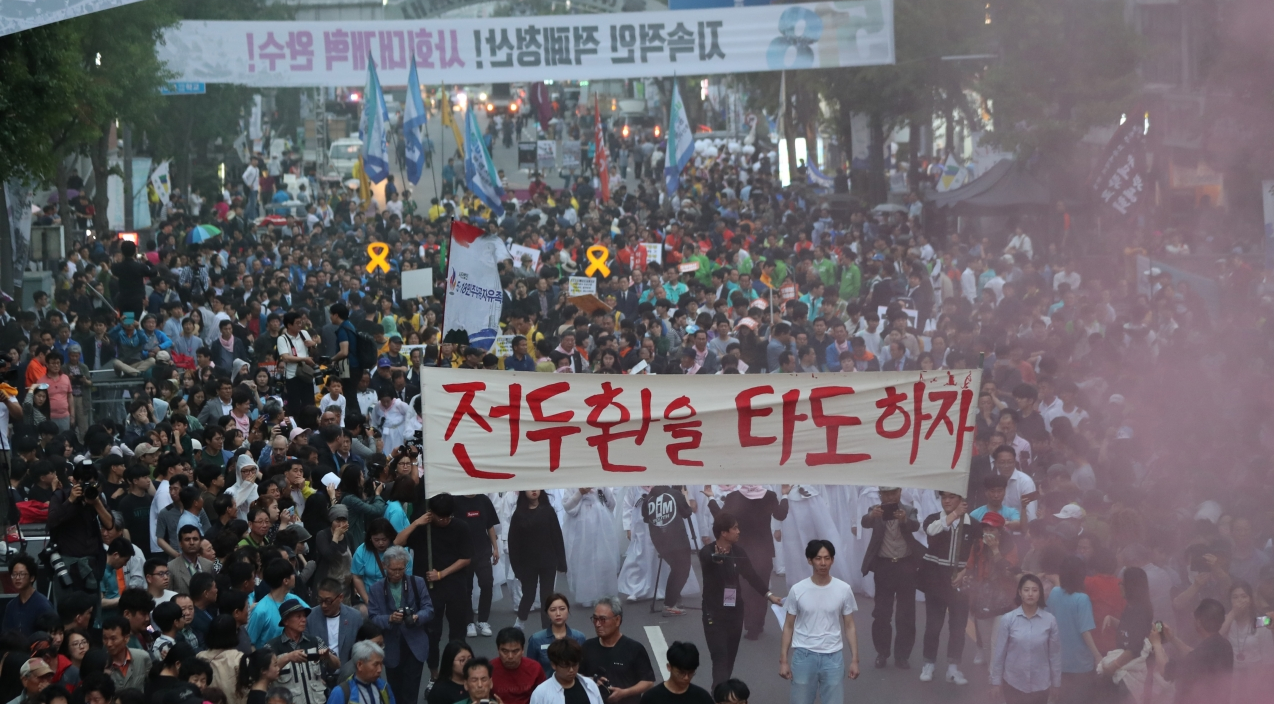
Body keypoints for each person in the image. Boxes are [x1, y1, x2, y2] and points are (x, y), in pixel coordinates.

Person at [697, 511, 782, 688]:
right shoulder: (707, 552)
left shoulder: (738, 551)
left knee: (729, 660)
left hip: (735, 614)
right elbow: (710, 559)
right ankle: (719, 695)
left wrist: (769, 595)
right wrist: (718, 559)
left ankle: (720, 692)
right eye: (734, 528)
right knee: (720, 658)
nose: (738, 531)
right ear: (723, 532)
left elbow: (751, 576)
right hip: (714, 616)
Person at [394, 492, 471, 674]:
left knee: (457, 633)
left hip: (455, 586)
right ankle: (434, 674)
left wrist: (441, 574)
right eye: (440, 517)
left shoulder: (461, 527)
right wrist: (416, 523)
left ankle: (456, 672)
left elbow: (466, 558)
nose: (444, 521)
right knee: (432, 633)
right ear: (431, 512)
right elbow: (397, 542)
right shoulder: (423, 529)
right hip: (429, 590)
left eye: (447, 517)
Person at [778, 540, 860, 704]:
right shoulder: (798, 590)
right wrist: (784, 661)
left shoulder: (843, 589)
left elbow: (849, 626)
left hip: (833, 658)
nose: (823, 563)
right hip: (803, 656)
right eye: (818, 558)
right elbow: (788, 626)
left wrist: (854, 660)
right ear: (809, 560)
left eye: (827, 558)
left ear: (832, 560)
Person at [918, 490, 980, 685]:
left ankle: (954, 668)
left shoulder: (973, 525)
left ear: (961, 499)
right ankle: (929, 664)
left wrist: (965, 573)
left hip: (960, 581)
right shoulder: (933, 519)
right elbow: (931, 531)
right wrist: (954, 515)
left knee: (958, 626)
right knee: (933, 625)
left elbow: (978, 554)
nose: (946, 501)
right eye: (943, 497)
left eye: (951, 497)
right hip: (935, 578)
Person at [859, 486, 921, 669]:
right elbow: (864, 522)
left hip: (906, 566)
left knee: (906, 615)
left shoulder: (909, 510)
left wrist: (904, 520)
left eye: (893, 493)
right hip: (884, 566)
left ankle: (902, 656)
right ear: (880, 495)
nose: (889, 497)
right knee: (881, 613)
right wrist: (872, 516)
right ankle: (882, 653)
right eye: (885, 494)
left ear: (900, 492)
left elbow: (916, 525)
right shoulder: (876, 510)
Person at [367, 546, 433, 704]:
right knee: (394, 691)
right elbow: (373, 617)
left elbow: (429, 609)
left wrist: (417, 617)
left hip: (415, 643)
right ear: (385, 566)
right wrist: (390, 619)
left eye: (401, 569)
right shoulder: (376, 589)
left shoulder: (417, 582)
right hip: (391, 646)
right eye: (393, 569)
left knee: (411, 691)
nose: (397, 573)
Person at [990, 574, 1061, 704]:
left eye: (1034, 590)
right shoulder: (1008, 619)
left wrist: (1056, 683)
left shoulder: (1050, 620)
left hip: (1041, 684)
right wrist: (996, 681)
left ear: (1040, 593)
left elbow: (1054, 655)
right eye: (1026, 590)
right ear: (1020, 593)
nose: (1030, 594)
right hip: (1013, 682)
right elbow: (999, 653)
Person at [1045, 556, 1103, 703]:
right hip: (1080, 664)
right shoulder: (1082, 599)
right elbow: (1085, 631)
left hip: (1059, 660)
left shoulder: (1054, 593)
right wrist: (1097, 656)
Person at [509, 490, 567, 630]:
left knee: (547, 596)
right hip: (527, 563)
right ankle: (520, 622)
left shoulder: (548, 511)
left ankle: (546, 629)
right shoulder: (518, 514)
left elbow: (557, 536)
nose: (534, 491)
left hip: (548, 561)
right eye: (530, 488)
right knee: (528, 594)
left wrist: (561, 562)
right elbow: (513, 543)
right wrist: (516, 568)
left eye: (537, 487)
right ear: (524, 492)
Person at [579, 597, 655, 704]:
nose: (597, 624)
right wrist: (591, 680)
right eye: (595, 619)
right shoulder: (587, 646)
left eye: (603, 619)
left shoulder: (634, 648)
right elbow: (577, 675)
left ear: (617, 620)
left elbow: (648, 681)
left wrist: (624, 693)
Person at [266, 599, 338, 704]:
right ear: (286, 621)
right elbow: (264, 675)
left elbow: (337, 665)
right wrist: (288, 657)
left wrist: (329, 656)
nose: (304, 620)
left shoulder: (315, 641)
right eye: (298, 616)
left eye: (304, 616)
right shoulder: (272, 647)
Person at [640, 485, 694, 617]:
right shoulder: (675, 494)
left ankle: (671, 601)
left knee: (676, 569)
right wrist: (683, 496)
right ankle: (669, 604)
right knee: (682, 570)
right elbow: (687, 512)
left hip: (659, 540)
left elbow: (646, 518)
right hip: (678, 539)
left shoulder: (648, 499)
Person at [1217, 581, 1272, 704]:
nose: (1239, 601)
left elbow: (1268, 657)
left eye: (1243, 596)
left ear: (1251, 599)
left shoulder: (1262, 621)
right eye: (1235, 597)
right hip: (1233, 678)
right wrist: (1232, 614)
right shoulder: (1227, 619)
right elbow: (1215, 639)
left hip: (1256, 676)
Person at [305, 579, 365, 667]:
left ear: (340, 597)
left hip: (346, 672)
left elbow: (361, 648)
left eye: (328, 601)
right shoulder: (310, 617)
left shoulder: (355, 617)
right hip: (318, 672)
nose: (324, 605)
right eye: (320, 600)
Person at [526, 594, 588, 676]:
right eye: (553, 610)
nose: (558, 613)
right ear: (547, 613)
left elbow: (583, 668)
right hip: (546, 686)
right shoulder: (536, 639)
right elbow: (530, 670)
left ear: (568, 610)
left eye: (562, 609)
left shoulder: (579, 637)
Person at [529, 638, 604, 704]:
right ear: (553, 665)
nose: (571, 670)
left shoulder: (590, 685)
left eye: (574, 665)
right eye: (565, 666)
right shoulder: (541, 693)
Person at [637, 642, 713, 704]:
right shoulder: (651, 698)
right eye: (681, 673)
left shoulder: (702, 697)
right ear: (669, 667)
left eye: (690, 673)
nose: (686, 677)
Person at [323, 641, 391, 704]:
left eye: (381, 664)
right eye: (375, 664)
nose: (379, 670)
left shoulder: (384, 687)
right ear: (360, 665)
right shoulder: (341, 692)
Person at [491, 628, 547, 704]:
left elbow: (544, 696)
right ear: (498, 650)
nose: (510, 656)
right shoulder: (488, 669)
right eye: (505, 651)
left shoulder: (535, 668)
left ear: (522, 650)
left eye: (515, 651)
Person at [2, 555, 54, 634]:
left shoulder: (43, 605)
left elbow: (50, 634)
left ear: (32, 578)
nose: (17, 578)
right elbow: (5, 634)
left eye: (22, 574)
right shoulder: (11, 606)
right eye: (14, 574)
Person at [102, 615, 152, 693]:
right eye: (105, 638)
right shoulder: (100, 662)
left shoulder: (142, 658)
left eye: (113, 639)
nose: (108, 644)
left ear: (126, 638)